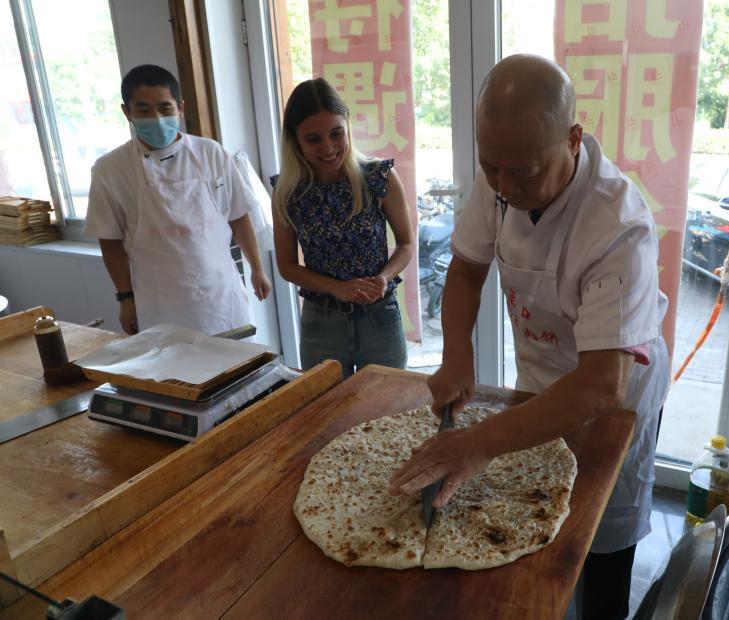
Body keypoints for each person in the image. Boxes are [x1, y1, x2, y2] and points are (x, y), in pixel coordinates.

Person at [388, 54, 670, 619]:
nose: (505, 188)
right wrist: (457, 355)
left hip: (613, 399)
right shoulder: (502, 175)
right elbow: (467, 268)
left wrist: (476, 442)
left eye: (524, 172)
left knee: (601, 534)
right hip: (539, 381)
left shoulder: (618, 227)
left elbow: (599, 385)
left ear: (572, 139)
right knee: (529, 532)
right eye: (491, 167)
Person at [85, 64, 271, 336]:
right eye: (144, 110)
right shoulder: (110, 169)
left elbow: (239, 214)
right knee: (175, 375)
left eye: (165, 108)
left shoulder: (211, 153)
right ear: (127, 112)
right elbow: (110, 241)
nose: (157, 119)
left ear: (180, 108)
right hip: (159, 303)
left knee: (238, 371)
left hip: (220, 298)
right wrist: (125, 298)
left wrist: (257, 268)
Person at [271, 78, 413, 377]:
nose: (329, 148)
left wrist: (384, 277)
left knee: (386, 408)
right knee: (327, 412)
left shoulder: (378, 177)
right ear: (294, 140)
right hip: (321, 321)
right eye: (313, 139)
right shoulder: (288, 192)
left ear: (348, 126)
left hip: (379, 315)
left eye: (337, 134)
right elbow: (286, 266)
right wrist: (338, 289)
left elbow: (406, 244)